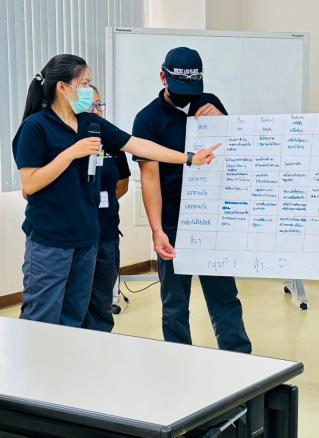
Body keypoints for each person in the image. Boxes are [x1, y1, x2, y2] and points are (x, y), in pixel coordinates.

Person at [13, 54, 217, 328]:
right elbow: (30, 183)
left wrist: (189, 158)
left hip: (87, 238)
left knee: (75, 316)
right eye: (84, 84)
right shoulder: (35, 127)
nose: (89, 90)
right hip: (50, 240)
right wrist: (71, 153)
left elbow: (138, 145)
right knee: (42, 317)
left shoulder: (90, 123)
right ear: (62, 87)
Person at [133, 47, 252, 353]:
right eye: (179, 89)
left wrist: (224, 123)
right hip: (173, 220)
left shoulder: (210, 103)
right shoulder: (147, 119)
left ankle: (239, 357)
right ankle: (178, 359)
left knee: (224, 296)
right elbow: (150, 179)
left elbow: (239, 155)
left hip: (212, 219)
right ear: (163, 78)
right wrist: (157, 230)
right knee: (174, 302)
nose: (187, 96)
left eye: (192, 89)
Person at [83, 84, 130, 331]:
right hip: (78, 235)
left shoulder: (112, 141)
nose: (97, 110)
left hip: (107, 232)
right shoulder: (69, 141)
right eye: (90, 105)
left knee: (102, 305)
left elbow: (122, 184)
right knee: (76, 304)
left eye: (99, 105)